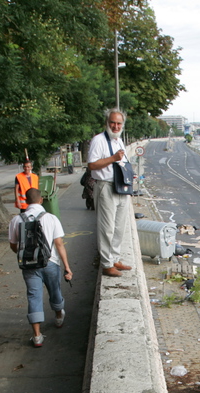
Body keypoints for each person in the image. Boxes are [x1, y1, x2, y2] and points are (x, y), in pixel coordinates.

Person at [8, 187, 73, 347]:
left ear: (25, 201)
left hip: (29, 265)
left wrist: (27, 253)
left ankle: (37, 336)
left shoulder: (16, 220)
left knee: (33, 296)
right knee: (54, 290)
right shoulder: (51, 218)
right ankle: (58, 317)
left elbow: (14, 246)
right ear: (41, 200)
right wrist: (67, 267)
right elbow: (59, 244)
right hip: (50, 262)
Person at [87, 108, 133, 277]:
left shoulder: (118, 141)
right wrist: (113, 159)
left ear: (122, 125)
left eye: (118, 123)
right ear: (107, 123)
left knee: (119, 226)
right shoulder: (99, 140)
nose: (115, 126)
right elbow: (92, 165)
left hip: (121, 186)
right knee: (107, 227)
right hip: (106, 186)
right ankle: (106, 264)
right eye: (112, 122)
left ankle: (114, 258)